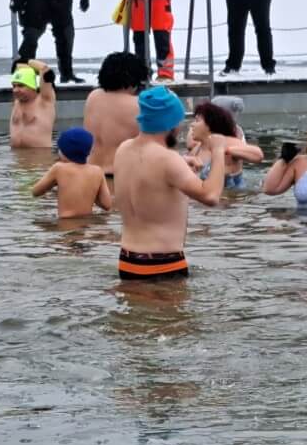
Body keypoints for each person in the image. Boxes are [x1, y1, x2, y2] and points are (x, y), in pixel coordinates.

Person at [113, 87, 229, 280]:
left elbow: (149, 171)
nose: (182, 127)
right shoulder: (167, 160)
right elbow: (210, 196)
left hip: (127, 262)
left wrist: (180, 161)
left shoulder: (123, 149)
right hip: (162, 265)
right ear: (169, 124)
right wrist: (218, 151)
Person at [85, 52, 149, 174]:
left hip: (92, 173)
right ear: (134, 79)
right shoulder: (139, 105)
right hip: (121, 176)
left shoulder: (93, 97)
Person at [32, 127, 113, 218]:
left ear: (64, 152)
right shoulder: (97, 171)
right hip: (87, 224)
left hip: (65, 224)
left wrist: (52, 183)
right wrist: (90, 191)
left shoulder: (59, 168)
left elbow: (35, 192)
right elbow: (107, 205)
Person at [185, 99, 262, 188]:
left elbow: (258, 155)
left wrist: (224, 150)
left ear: (210, 124)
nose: (192, 125)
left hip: (233, 198)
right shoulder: (197, 149)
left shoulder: (228, 143)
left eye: (197, 121)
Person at [7, 60, 56, 150]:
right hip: (16, 159)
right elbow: (17, 65)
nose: (15, 90)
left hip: (39, 159)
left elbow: (46, 70)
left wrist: (27, 61)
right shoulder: (16, 102)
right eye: (14, 86)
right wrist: (21, 66)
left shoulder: (44, 101)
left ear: (32, 86)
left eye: (21, 86)